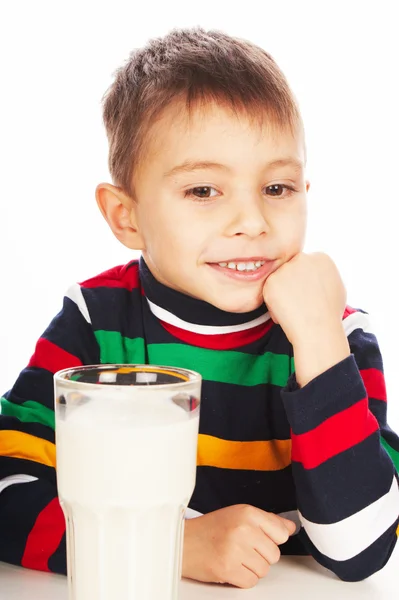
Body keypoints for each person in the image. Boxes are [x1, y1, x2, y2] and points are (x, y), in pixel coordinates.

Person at [0, 26, 398, 590]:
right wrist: (172, 547)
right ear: (126, 217)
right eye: (204, 191)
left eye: (278, 188)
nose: (253, 222)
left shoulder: (334, 335)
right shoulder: (95, 321)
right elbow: (9, 491)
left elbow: (361, 549)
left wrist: (319, 343)